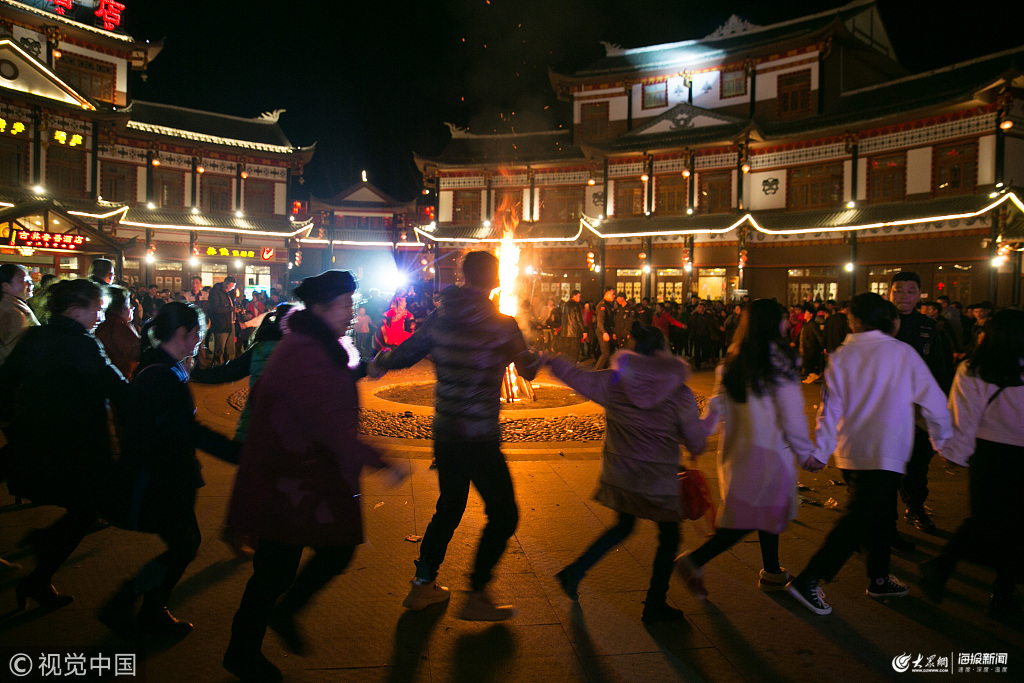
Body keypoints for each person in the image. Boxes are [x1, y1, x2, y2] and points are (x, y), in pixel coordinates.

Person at [223, 272, 402, 681]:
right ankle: (255, 639)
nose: (352, 313)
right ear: (320, 308)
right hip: (291, 478)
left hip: (301, 475)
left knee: (289, 566)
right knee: (285, 567)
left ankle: (264, 631)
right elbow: (326, 422)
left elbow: (326, 389)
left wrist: (365, 369)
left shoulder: (313, 343)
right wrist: (380, 460)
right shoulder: (306, 350)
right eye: (346, 305)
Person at [370, 251, 540, 620]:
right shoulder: (502, 324)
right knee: (504, 515)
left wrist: (379, 362)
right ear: (495, 279)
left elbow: (404, 354)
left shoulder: (440, 318)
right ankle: (477, 592)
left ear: (463, 277)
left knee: (449, 508)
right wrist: (536, 354)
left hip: (446, 432)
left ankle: (422, 584)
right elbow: (527, 371)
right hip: (479, 435)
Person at [788, 293, 951, 616]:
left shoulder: (841, 355)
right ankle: (810, 577)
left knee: (877, 516)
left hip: (852, 451)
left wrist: (822, 450)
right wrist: (946, 442)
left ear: (856, 321)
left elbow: (829, 409)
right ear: (890, 321)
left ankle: (878, 577)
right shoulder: (902, 353)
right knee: (859, 518)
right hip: (887, 450)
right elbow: (933, 401)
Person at [99, 302, 239, 638]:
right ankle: (133, 602)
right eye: (196, 334)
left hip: (161, 475)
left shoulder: (160, 367)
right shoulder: (161, 375)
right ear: (181, 333)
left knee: (185, 543)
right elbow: (185, 430)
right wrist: (235, 452)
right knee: (184, 545)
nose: (198, 341)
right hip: (159, 479)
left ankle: (143, 605)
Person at [549, 323, 704, 622]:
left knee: (623, 526)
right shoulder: (679, 392)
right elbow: (695, 441)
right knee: (669, 537)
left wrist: (549, 360)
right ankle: (655, 604)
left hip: (622, 476)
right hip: (657, 481)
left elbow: (578, 376)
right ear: (664, 352)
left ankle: (575, 571)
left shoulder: (614, 382)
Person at [674, 300, 816, 599]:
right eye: (783, 318)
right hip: (770, 453)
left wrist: (698, 435)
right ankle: (695, 560)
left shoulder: (732, 362)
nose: (787, 323)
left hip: (738, 453)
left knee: (763, 512)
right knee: (752, 517)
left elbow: (716, 409)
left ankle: (772, 572)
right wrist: (806, 454)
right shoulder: (780, 363)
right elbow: (792, 416)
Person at [0, 279, 127, 610]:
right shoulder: (82, 344)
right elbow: (116, 387)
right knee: (86, 511)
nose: (100, 316)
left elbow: (6, 380)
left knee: (82, 510)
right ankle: (39, 571)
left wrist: (12, 424)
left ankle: (40, 566)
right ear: (75, 310)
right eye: (96, 309)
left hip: (33, 440)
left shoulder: (35, 336)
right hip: (74, 446)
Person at [920, 309, 1024, 619]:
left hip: (986, 453)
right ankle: (1001, 593)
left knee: (984, 518)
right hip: (1020, 455)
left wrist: (954, 452)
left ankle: (942, 565)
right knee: (1016, 526)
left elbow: (963, 416)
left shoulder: (972, 368)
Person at [888, 272, 954, 536]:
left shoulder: (928, 326)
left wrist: (942, 404)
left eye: (910, 291)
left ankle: (915, 507)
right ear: (889, 293)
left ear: (919, 295)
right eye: (898, 290)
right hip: (884, 408)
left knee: (918, 463)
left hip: (917, 408)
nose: (904, 296)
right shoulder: (875, 323)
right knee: (885, 466)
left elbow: (939, 367)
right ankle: (886, 524)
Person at [94, 285, 141, 379]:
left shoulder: (104, 324)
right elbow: (137, 353)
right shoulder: (118, 327)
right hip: (121, 377)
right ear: (119, 307)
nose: (132, 308)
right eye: (128, 304)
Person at [0, 264, 39, 365]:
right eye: (24, 280)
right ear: (5, 286)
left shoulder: (15, 306)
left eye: (30, 280)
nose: (30, 284)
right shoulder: (12, 312)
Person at [208, 276, 237, 364]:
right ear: (225, 283)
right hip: (221, 324)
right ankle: (217, 365)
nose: (230, 288)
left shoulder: (229, 293)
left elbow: (232, 305)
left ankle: (229, 365)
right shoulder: (215, 292)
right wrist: (231, 309)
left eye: (232, 287)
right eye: (230, 286)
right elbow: (216, 309)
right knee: (220, 348)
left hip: (231, 322)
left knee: (230, 348)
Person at [558, 290, 586, 362]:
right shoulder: (576, 305)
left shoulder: (564, 305)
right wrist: (584, 331)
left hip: (565, 333)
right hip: (574, 333)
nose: (580, 298)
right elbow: (579, 319)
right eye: (579, 297)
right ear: (574, 296)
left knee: (566, 354)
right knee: (574, 354)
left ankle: (566, 368)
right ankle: (572, 368)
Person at [595, 287, 615, 370]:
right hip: (603, 331)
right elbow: (600, 321)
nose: (614, 296)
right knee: (606, 353)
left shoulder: (608, 305)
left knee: (609, 352)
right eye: (612, 294)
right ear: (606, 294)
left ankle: (604, 370)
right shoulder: (602, 305)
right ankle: (596, 371)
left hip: (607, 330)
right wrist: (604, 332)